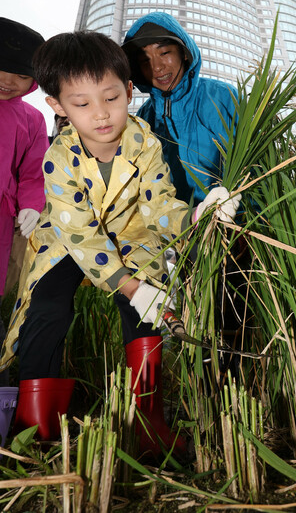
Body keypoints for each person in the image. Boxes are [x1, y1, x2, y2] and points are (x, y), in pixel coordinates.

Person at [0, 31, 240, 451]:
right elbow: (82, 236)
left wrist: (198, 217)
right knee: (49, 308)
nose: (101, 115)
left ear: (129, 91)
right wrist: (131, 287)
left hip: (132, 235)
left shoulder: (145, 142)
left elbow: (159, 205)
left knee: (142, 316)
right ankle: (34, 428)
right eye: (82, 103)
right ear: (56, 105)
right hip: (69, 242)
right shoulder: (58, 158)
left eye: (111, 98)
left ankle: (148, 424)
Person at [122, 12, 238, 206]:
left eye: (164, 53)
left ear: (184, 52)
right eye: (145, 61)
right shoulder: (143, 117)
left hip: (229, 225)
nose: (157, 67)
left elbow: (255, 166)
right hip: (174, 231)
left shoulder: (224, 97)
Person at [0, 17, 49, 387]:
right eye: (1, 68)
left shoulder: (32, 119)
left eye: (18, 74)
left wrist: (32, 203)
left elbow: (34, 172)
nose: (7, 80)